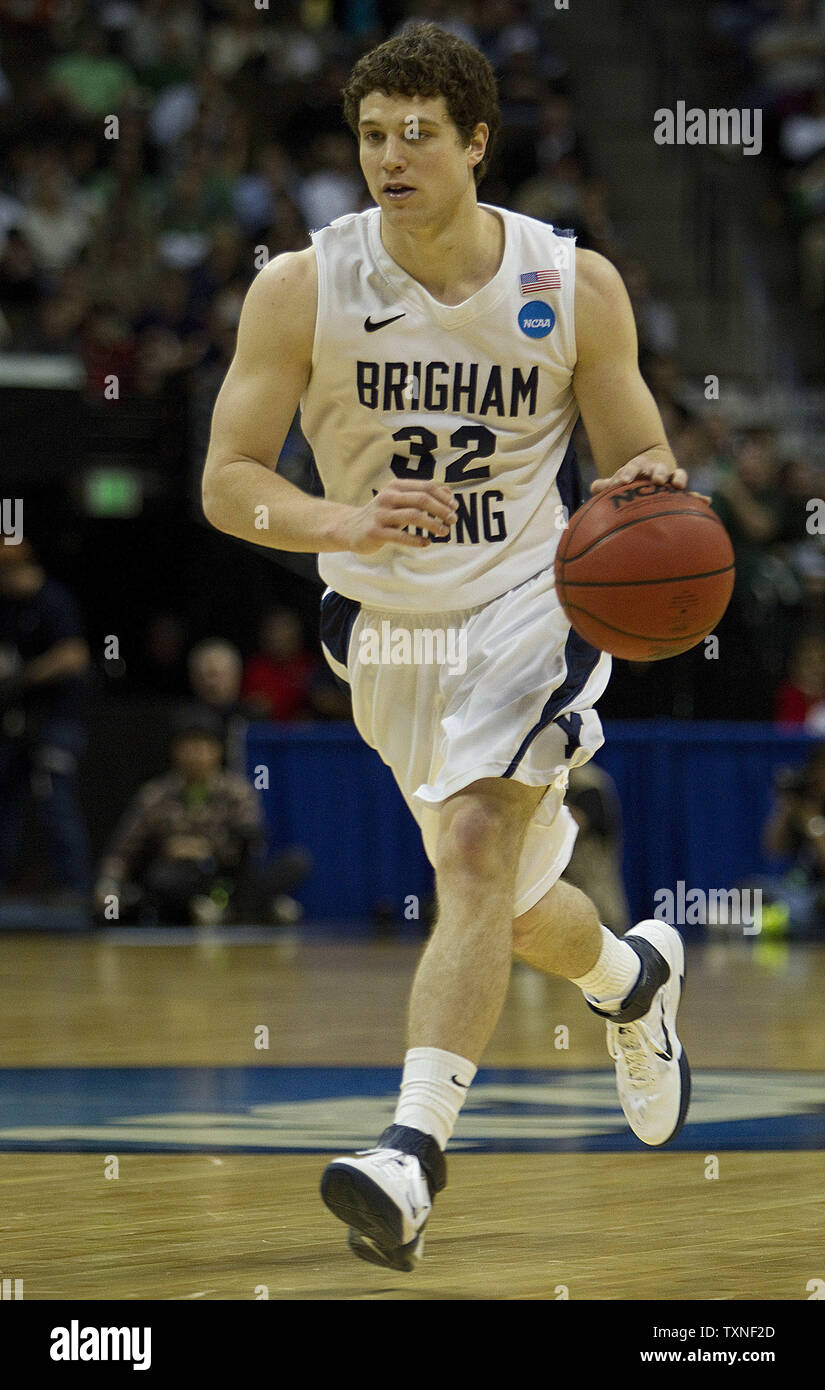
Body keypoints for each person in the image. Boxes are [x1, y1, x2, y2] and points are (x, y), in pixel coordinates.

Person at [202, 25, 692, 1272]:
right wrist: (339, 518)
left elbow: (639, 462)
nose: (391, 156)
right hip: (385, 627)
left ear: (478, 141)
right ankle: (632, 979)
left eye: (419, 132)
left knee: (476, 845)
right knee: (514, 908)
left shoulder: (573, 284)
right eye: (372, 135)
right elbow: (227, 482)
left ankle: (409, 1156)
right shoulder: (302, 286)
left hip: (535, 600)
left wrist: (651, 510)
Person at [0, 538, 93, 907]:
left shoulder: (53, 601)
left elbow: (75, 656)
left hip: (57, 722)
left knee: (53, 796)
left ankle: (74, 887)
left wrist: (23, 675)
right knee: (5, 797)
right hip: (17, 723)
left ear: (23, 569)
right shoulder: (8, 606)